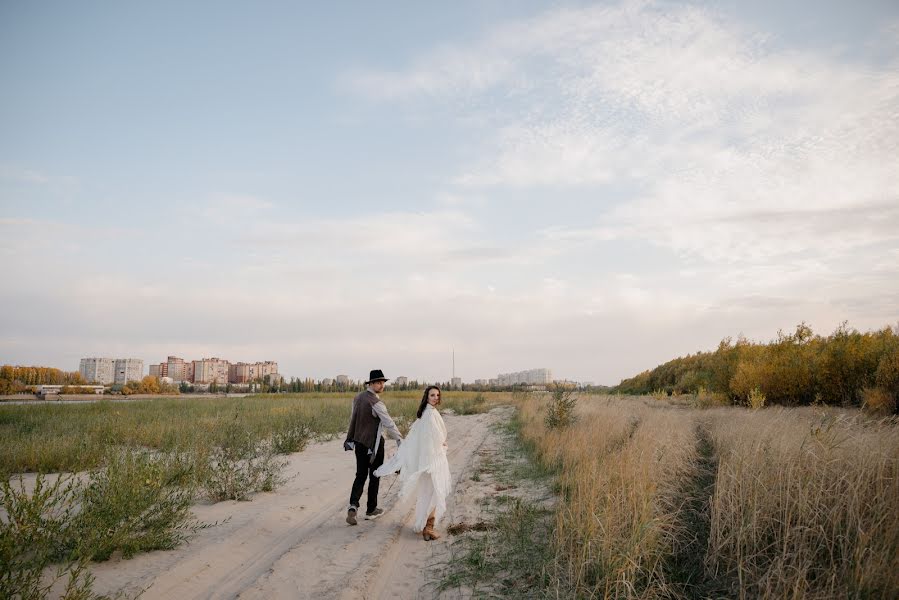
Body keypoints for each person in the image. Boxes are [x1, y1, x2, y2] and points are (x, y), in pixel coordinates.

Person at [374, 385, 451, 541]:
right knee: (434, 492)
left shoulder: (427, 413)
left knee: (430, 493)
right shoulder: (429, 414)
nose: (436, 397)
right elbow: (432, 438)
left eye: (437, 395)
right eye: (432, 395)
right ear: (427, 397)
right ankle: (428, 527)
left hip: (431, 459)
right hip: (433, 460)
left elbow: (421, 438)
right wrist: (442, 445)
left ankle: (426, 525)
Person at [344, 369, 403, 526]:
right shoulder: (376, 403)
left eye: (383, 382)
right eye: (378, 382)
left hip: (359, 442)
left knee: (360, 475)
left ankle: (353, 506)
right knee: (375, 474)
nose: (381, 385)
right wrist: (399, 440)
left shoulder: (357, 398)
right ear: (370, 384)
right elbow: (388, 423)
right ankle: (371, 510)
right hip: (374, 445)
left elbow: (354, 419)